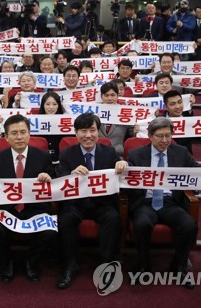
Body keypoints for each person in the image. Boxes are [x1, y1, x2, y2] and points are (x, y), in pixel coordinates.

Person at [126, 117, 201, 288]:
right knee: (142, 224)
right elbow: (125, 178)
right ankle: (144, 266)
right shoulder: (136, 154)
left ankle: (178, 267)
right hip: (146, 202)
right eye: (160, 136)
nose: (165, 140)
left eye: (168, 135)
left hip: (170, 202)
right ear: (150, 136)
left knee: (189, 225)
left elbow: (199, 172)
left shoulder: (180, 152)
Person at [57, 113, 127, 289]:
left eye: (92, 130)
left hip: (101, 203)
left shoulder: (109, 152)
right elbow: (60, 180)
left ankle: (107, 264)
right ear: (76, 133)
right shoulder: (66, 154)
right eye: (83, 131)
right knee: (66, 219)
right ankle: (70, 264)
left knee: (112, 218)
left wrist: (122, 165)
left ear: (98, 132)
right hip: (75, 203)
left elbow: (120, 173)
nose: (88, 135)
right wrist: (71, 175)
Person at [0, 114, 56, 283]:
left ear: (29, 134)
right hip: (7, 210)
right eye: (14, 133)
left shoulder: (43, 156)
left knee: (50, 232)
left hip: (34, 209)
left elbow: (54, 186)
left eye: (23, 132)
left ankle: (30, 262)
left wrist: (48, 178)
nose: (19, 137)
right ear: (7, 137)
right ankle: (7, 263)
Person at [99, 82, 135, 157]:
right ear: (101, 96)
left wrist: (136, 130)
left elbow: (132, 136)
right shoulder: (94, 112)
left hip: (118, 155)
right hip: (96, 154)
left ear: (118, 96)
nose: (110, 99)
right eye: (106, 95)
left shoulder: (125, 114)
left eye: (113, 95)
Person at [37, 92, 66, 163]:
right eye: (47, 104)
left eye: (54, 104)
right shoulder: (35, 121)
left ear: (58, 106)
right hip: (40, 160)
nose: (51, 107)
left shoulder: (65, 122)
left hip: (60, 161)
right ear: (43, 105)